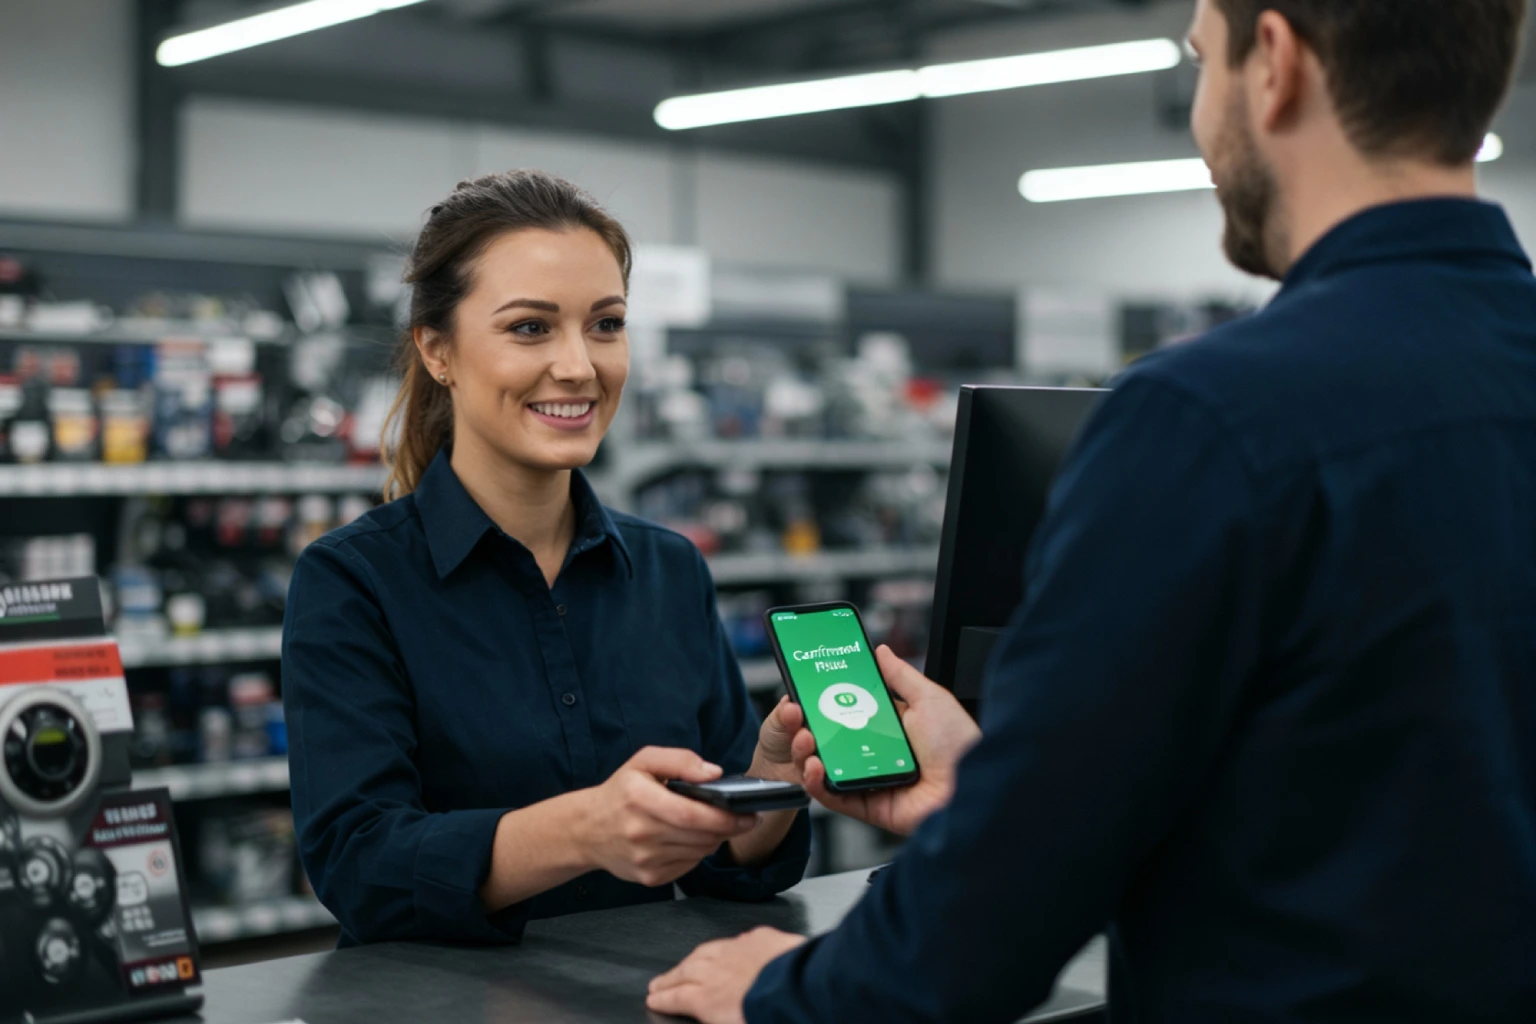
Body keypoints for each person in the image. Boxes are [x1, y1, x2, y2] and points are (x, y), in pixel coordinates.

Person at [648, 0, 1536, 1020]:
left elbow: (980, 943)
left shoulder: (1207, 420)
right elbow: (1400, 776)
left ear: (1275, 64)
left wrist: (782, 990)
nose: (1204, 128)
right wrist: (1013, 778)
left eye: (1203, 63)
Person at [281, 171, 809, 947]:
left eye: (605, 324)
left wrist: (769, 784)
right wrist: (580, 832)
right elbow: (359, 865)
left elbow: (728, 867)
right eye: (530, 328)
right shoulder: (353, 582)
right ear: (438, 351)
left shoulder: (670, 571)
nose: (579, 366)